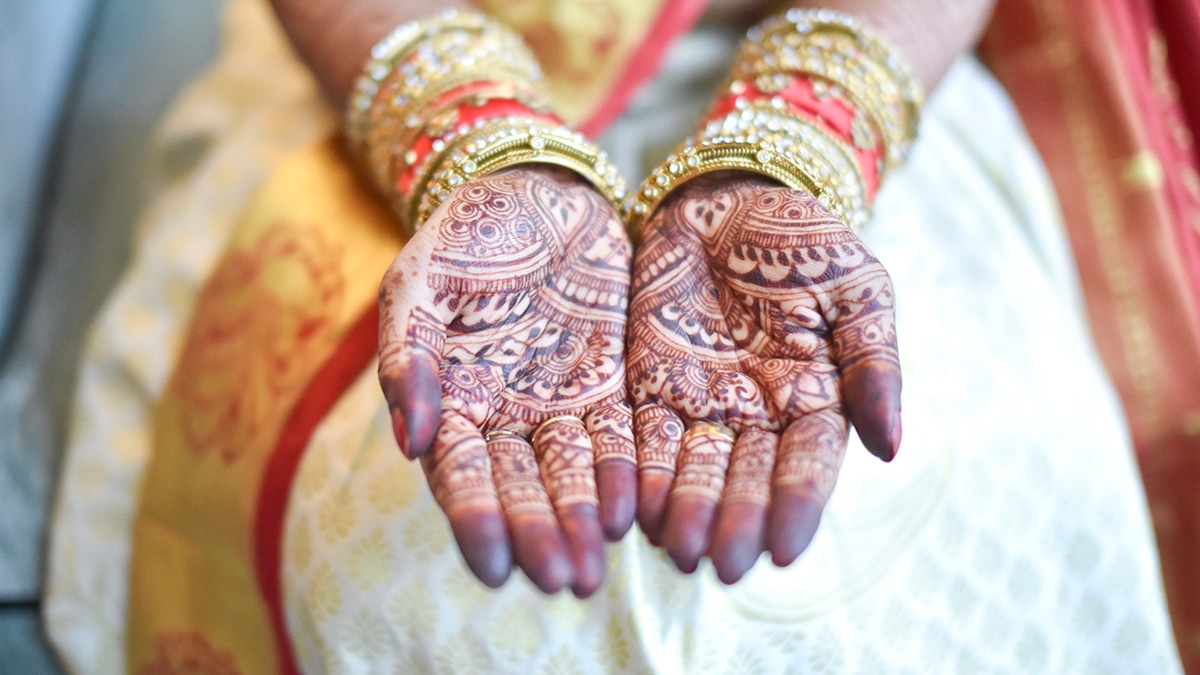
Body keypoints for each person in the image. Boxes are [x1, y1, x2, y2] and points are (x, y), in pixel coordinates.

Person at [43, 0, 1198, 672]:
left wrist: (800, 140)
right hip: (404, 46)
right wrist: (474, 142)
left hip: (857, 41)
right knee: (420, 564)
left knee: (945, 496)